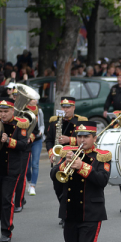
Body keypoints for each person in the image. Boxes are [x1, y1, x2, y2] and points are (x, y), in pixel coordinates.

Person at [51, 121, 110, 242]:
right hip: (69, 211)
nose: (82, 140)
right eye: (80, 136)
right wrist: (63, 164)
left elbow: (102, 180)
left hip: (92, 212)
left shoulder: (102, 156)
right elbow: (54, 175)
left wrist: (81, 166)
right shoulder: (68, 152)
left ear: (94, 138)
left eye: (86, 137)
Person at [0, 98, 30, 242]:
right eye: (1, 111)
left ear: (12, 111)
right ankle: (6, 220)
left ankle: (6, 231)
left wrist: (9, 141)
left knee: (6, 199)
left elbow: (24, 145)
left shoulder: (20, 124)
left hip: (12, 167)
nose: (3, 114)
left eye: (6, 111)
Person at [45, 96, 87, 226]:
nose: (65, 109)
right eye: (63, 107)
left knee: (69, 189)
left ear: (73, 108)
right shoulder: (54, 122)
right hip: (58, 160)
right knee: (58, 188)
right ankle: (65, 211)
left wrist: (69, 140)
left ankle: (66, 215)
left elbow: (84, 140)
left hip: (72, 158)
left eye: (68, 107)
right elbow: (49, 140)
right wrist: (51, 152)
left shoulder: (80, 122)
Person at [26, 99, 45, 196]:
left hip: (37, 140)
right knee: (27, 165)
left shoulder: (39, 110)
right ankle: (29, 181)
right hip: (26, 140)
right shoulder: (24, 110)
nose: (32, 101)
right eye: (30, 99)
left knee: (35, 164)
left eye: (34, 99)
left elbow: (41, 125)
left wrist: (41, 131)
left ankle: (33, 185)